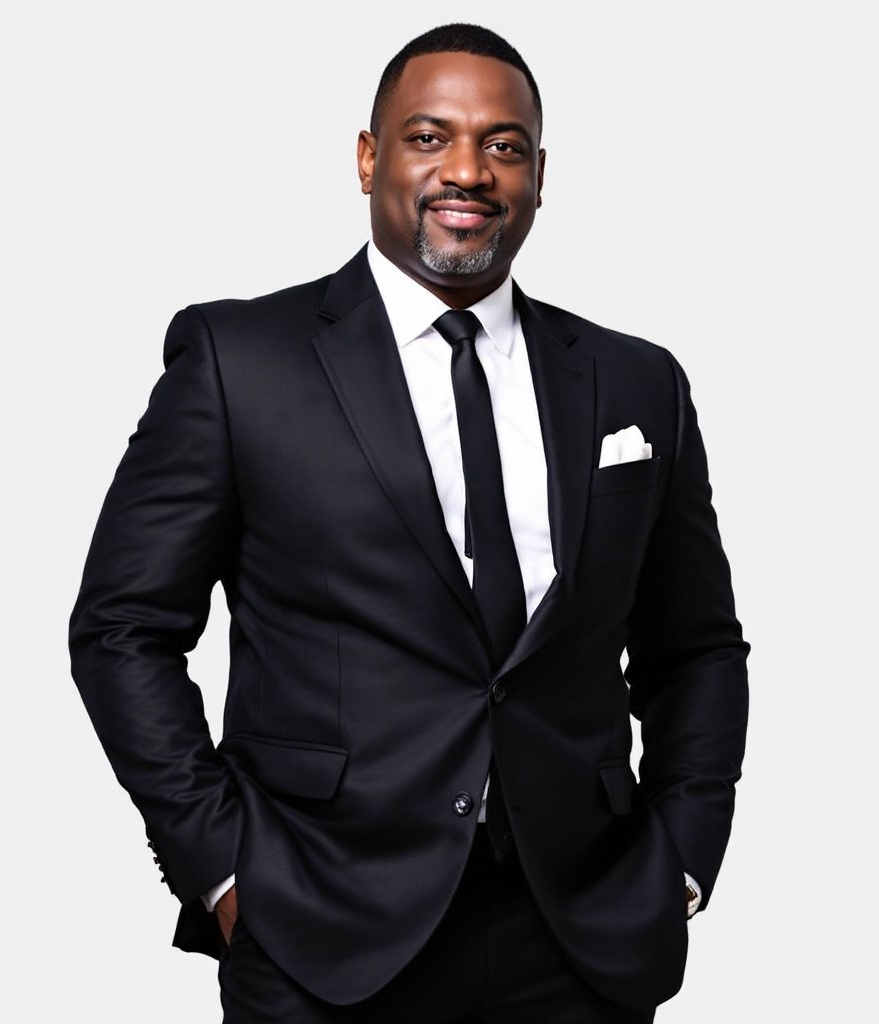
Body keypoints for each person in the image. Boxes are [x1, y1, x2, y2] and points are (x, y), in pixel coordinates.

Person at [69, 22, 749, 1023]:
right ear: (367, 157)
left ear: (540, 173)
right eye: (429, 137)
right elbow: (121, 627)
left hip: (580, 936)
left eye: (502, 145)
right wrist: (219, 868)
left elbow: (693, 647)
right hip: (318, 928)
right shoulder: (238, 361)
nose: (466, 170)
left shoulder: (635, 379)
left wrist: (681, 860)